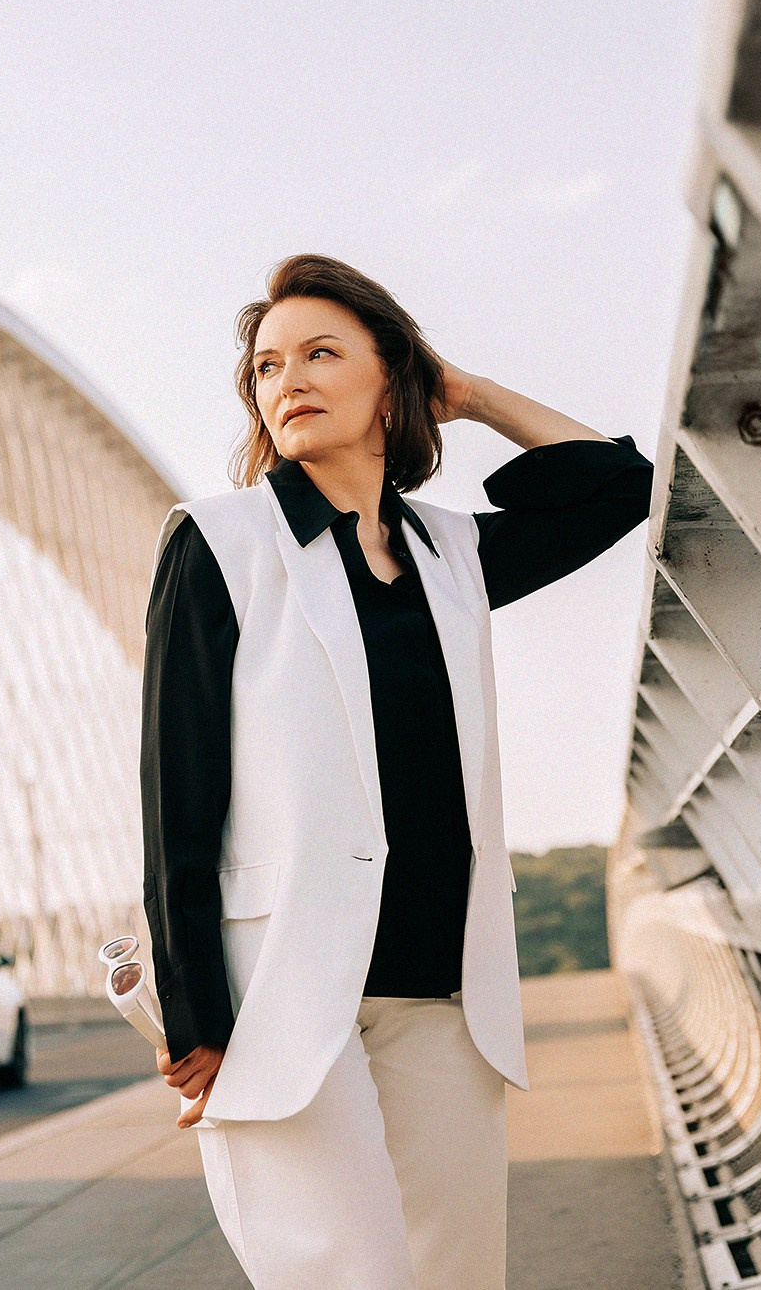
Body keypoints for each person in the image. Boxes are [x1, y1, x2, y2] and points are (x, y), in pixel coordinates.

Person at [140, 253, 653, 1289]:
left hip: (440, 986)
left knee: (457, 1273)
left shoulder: (447, 554)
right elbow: (174, 796)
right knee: (346, 1277)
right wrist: (194, 1020)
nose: (286, 377)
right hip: (283, 985)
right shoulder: (220, 543)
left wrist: (462, 393)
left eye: (322, 352)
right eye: (267, 363)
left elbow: (618, 491)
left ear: (390, 382)